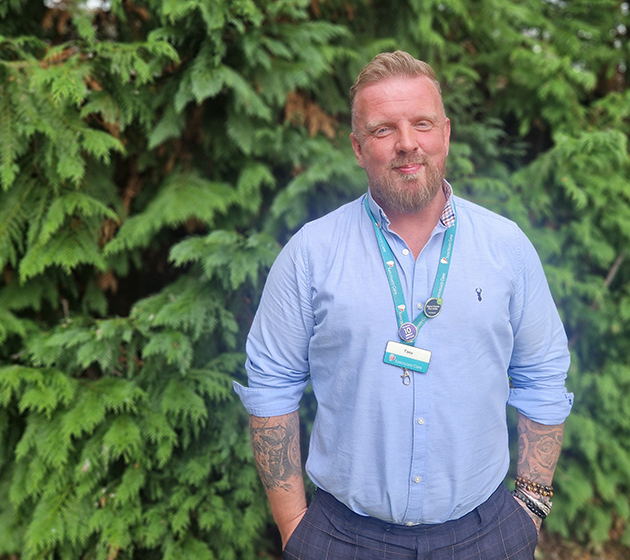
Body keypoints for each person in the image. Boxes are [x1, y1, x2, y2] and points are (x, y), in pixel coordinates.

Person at [233, 50, 573, 560]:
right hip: (341, 539)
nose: (407, 144)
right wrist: (293, 526)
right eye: (383, 130)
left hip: (486, 536)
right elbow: (271, 386)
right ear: (357, 146)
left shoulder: (507, 247)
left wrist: (529, 509)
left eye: (421, 124)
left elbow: (543, 376)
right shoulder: (310, 253)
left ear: (446, 134)